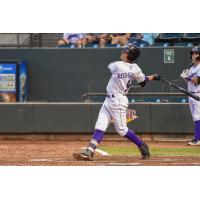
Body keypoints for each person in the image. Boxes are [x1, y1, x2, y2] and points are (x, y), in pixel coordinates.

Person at [73, 44, 161, 161]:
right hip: (109, 100)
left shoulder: (117, 65)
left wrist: (146, 77)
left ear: (129, 55)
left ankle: (141, 145)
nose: (123, 52)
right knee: (100, 125)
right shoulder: (135, 68)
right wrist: (153, 77)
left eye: (125, 51)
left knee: (122, 130)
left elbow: (112, 67)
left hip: (118, 100)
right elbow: (142, 82)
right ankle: (90, 151)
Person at [180, 47, 200, 145]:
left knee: (197, 117)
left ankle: (197, 139)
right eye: (192, 53)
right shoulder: (192, 68)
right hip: (191, 94)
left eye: (195, 53)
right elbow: (189, 82)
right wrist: (185, 77)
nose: (193, 55)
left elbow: (197, 80)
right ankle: (197, 137)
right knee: (195, 117)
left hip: (198, 95)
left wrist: (187, 77)